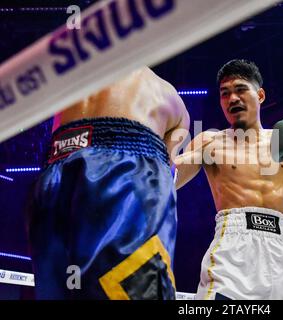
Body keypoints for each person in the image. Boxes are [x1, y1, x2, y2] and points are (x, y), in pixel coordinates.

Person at [27, 67, 190, 300]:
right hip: (126, 173)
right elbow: (168, 175)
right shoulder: (168, 95)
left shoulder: (66, 78)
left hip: (53, 175)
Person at [175, 59, 283, 300]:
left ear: (260, 95)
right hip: (233, 251)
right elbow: (170, 179)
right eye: (225, 94)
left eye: (240, 89)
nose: (233, 99)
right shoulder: (210, 142)